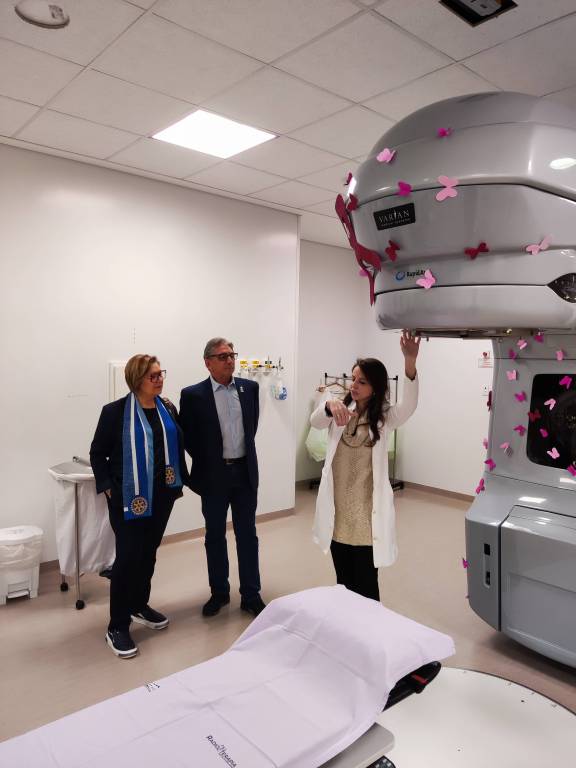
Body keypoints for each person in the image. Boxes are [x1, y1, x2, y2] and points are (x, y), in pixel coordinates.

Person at [90, 355, 190, 658]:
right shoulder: (114, 412)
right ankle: (117, 625)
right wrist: (108, 487)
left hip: (163, 495)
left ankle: (138, 605)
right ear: (136, 380)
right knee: (128, 558)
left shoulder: (167, 408)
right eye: (152, 376)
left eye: (161, 374)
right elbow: (97, 453)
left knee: (148, 553)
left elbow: (178, 443)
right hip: (129, 498)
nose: (159, 380)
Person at [310, 330, 421, 601]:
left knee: (366, 586)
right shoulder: (338, 409)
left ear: (376, 387)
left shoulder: (385, 418)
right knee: (342, 582)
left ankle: (369, 624)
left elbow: (409, 405)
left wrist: (409, 362)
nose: (354, 385)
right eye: (353, 379)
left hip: (366, 518)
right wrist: (328, 407)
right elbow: (315, 421)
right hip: (338, 514)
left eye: (362, 381)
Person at [179, 337, 265, 618]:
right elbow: (188, 437)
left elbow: (251, 428)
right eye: (223, 356)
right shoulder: (193, 395)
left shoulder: (249, 388)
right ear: (208, 363)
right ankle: (219, 593)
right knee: (214, 535)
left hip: (244, 473)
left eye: (231, 355)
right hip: (213, 476)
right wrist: (211, 460)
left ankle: (251, 594)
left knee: (247, 535)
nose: (230, 360)